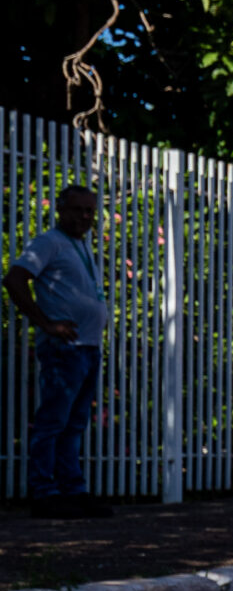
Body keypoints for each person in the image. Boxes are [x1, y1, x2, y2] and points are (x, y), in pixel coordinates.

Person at [6, 185, 109, 519]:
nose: (83, 217)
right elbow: (15, 279)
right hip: (64, 349)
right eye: (76, 210)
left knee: (75, 424)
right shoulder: (49, 242)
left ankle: (71, 491)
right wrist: (46, 324)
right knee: (53, 422)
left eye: (89, 211)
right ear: (60, 210)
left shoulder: (80, 245)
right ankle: (45, 492)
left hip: (87, 348)